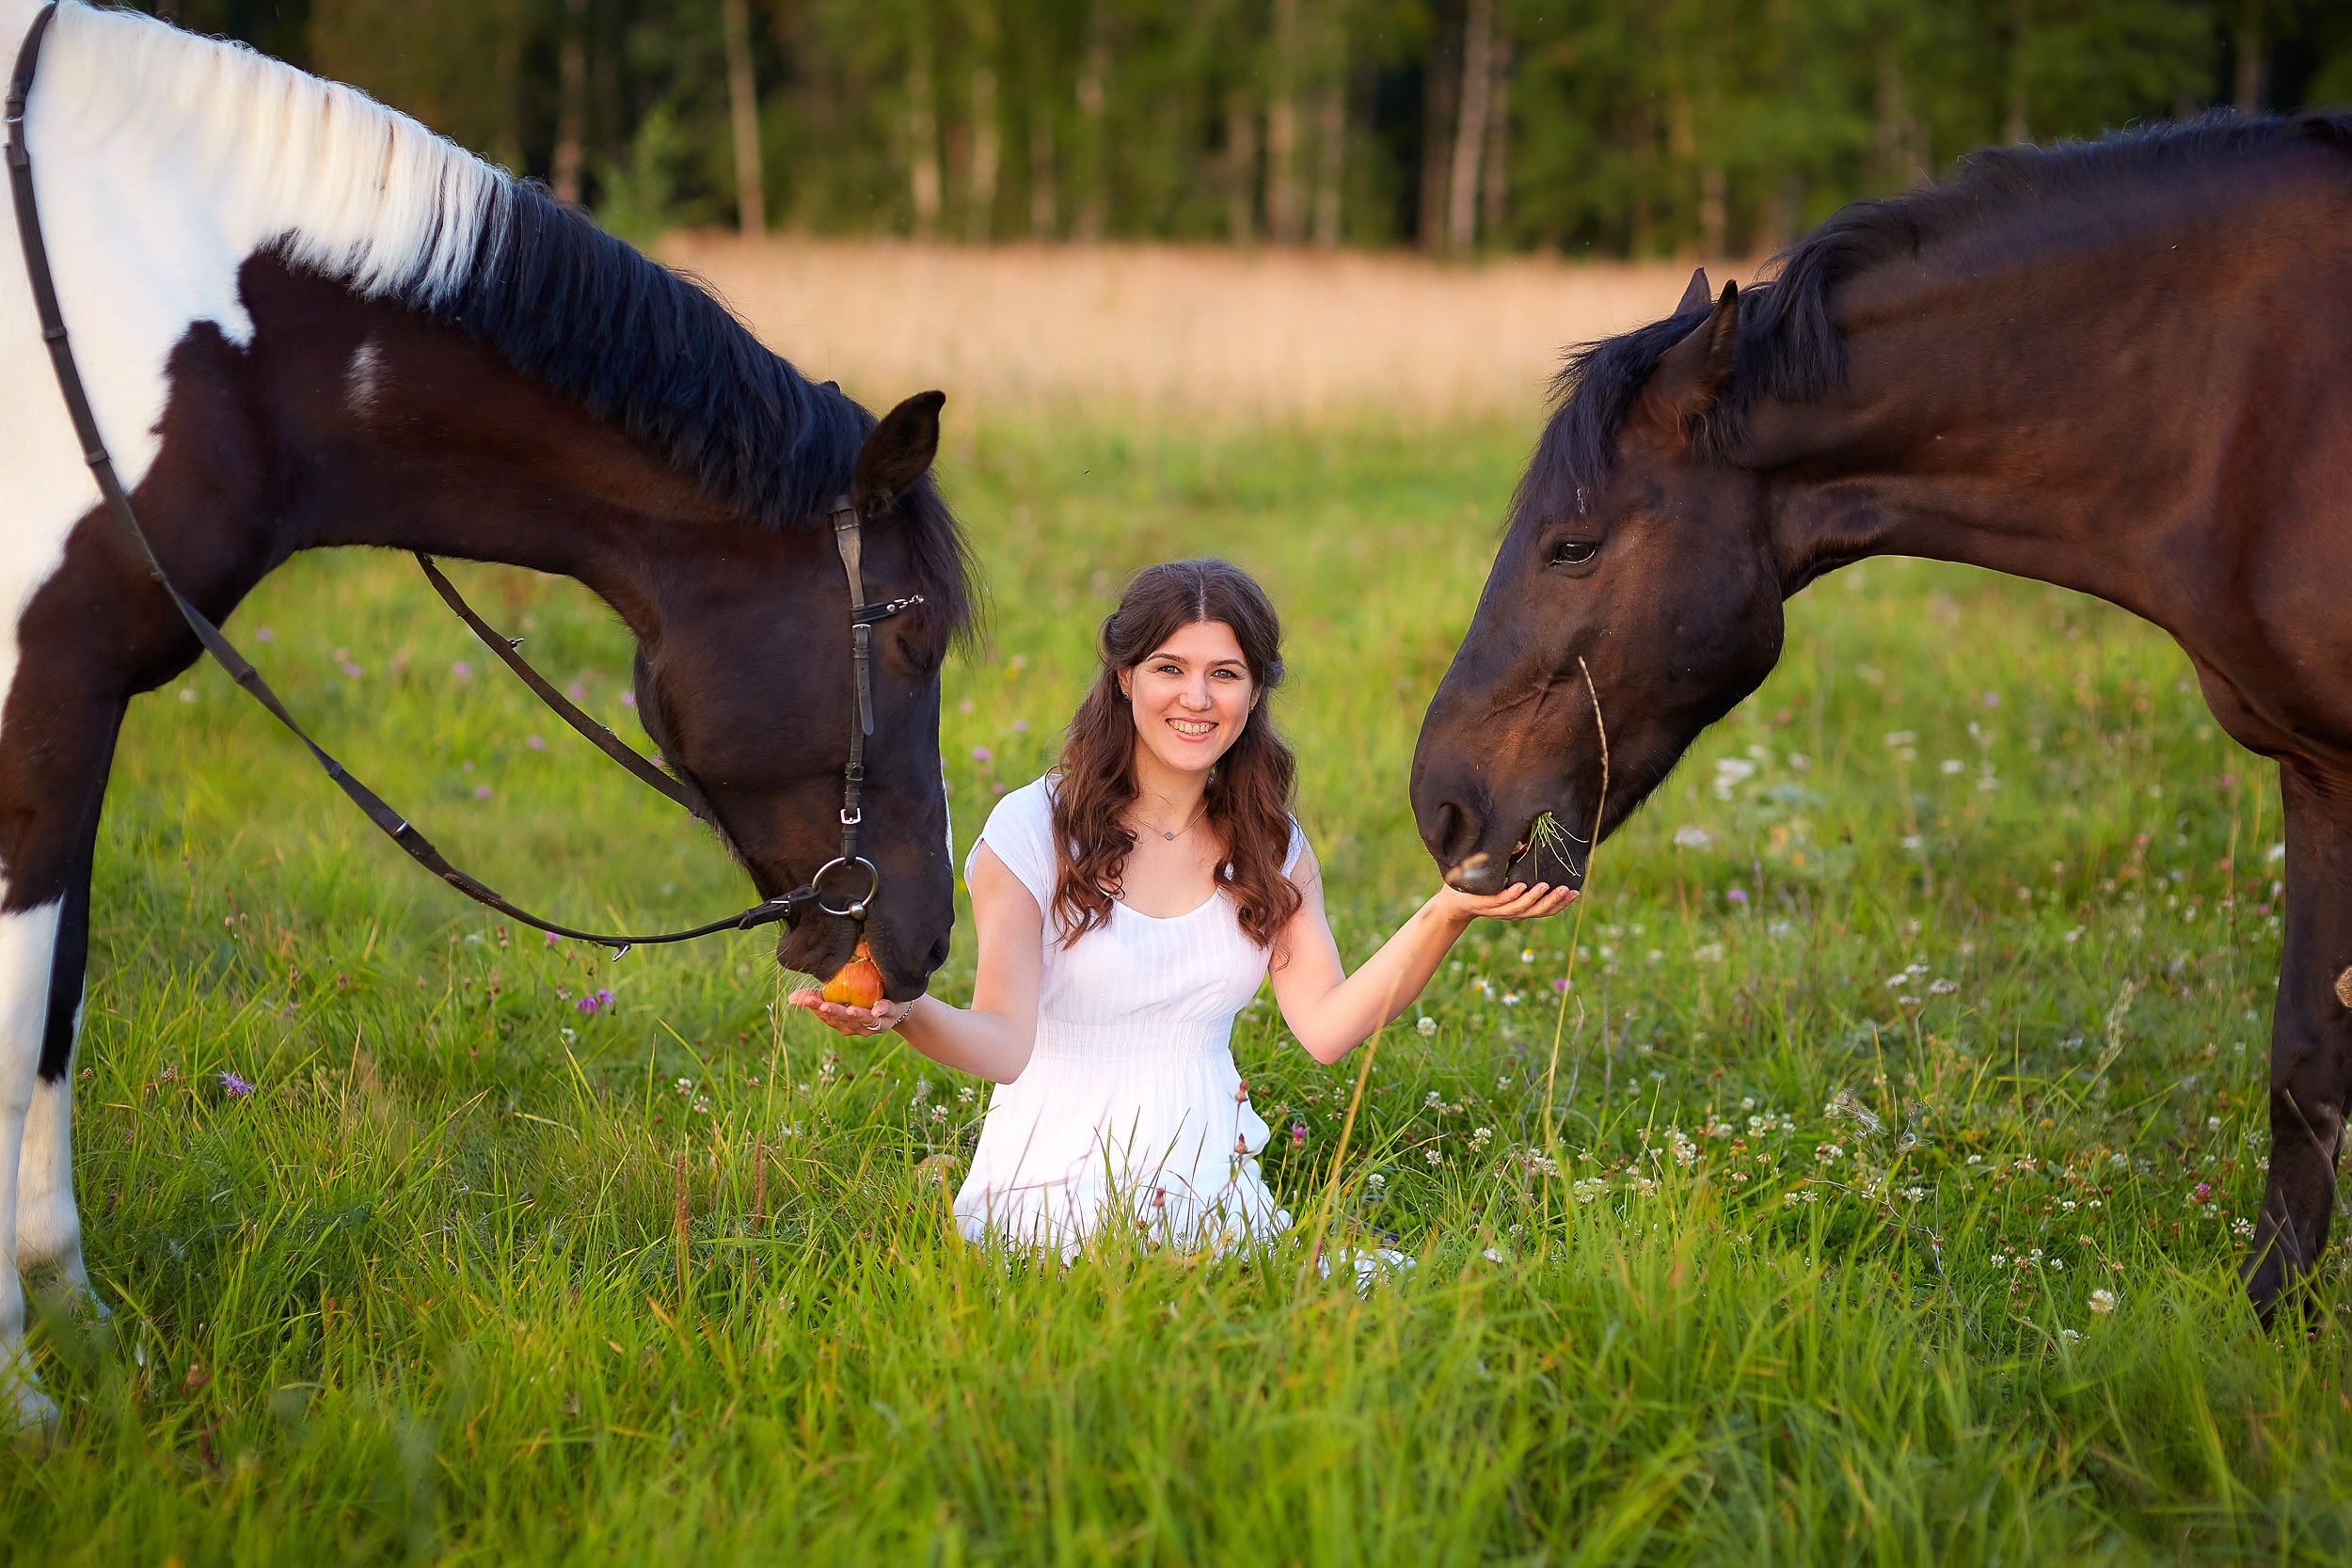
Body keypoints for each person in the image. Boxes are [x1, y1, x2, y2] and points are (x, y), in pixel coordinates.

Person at [790, 559, 1571, 1258]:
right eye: (1170, 667)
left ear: (1254, 688)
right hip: (1047, 1189)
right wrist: (908, 1011)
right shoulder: (1032, 830)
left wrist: (1448, 912)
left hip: (1215, 1193)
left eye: (1225, 673)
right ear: (1125, 675)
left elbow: (1329, 1029)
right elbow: (1003, 1045)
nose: (1197, 699)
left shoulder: (1272, 841)